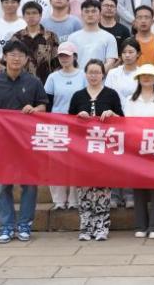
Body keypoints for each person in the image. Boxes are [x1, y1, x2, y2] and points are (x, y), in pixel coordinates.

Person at [0, 40, 48, 243]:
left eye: (20, 55)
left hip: (27, 142)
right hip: (1, 143)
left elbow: (43, 106)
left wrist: (34, 109)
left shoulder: (33, 82)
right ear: (4, 57)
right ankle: (6, 226)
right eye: (12, 55)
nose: (16, 58)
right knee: (2, 185)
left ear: (26, 59)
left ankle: (24, 225)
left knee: (29, 185)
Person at [69, 58, 124, 241]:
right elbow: (68, 122)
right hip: (83, 150)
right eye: (90, 72)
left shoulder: (111, 95)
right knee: (84, 190)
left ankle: (102, 226)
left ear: (103, 74)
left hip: (104, 149)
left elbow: (122, 121)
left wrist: (112, 114)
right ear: (85, 74)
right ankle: (86, 227)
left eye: (97, 72)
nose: (94, 76)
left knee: (102, 189)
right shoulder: (78, 96)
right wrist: (78, 117)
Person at [123, 64, 154, 238]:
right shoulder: (130, 99)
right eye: (143, 75)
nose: (147, 78)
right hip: (137, 147)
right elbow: (128, 122)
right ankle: (140, 225)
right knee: (139, 187)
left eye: (150, 75)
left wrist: (145, 126)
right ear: (138, 79)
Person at [44, 42, 85, 209]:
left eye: (67, 55)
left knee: (76, 163)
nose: (64, 59)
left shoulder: (83, 75)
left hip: (78, 125)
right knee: (56, 163)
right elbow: (47, 102)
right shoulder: (53, 77)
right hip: (57, 125)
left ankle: (75, 200)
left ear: (74, 56)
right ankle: (59, 200)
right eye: (61, 56)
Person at [9, 2, 59, 86]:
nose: (31, 16)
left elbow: (57, 63)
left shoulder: (51, 37)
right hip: (20, 84)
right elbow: (8, 62)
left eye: (34, 13)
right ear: (23, 16)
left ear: (40, 15)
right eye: (28, 13)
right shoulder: (17, 37)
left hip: (45, 85)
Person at [67, 0, 118, 69]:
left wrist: (96, 73)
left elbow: (110, 62)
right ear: (81, 14)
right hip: (78, 75)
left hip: (101, 75)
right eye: (86, 11)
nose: (90, 14)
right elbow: (68, 61)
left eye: (93, 11)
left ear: (100, 14)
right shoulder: (72, 37)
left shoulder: (109, 37)